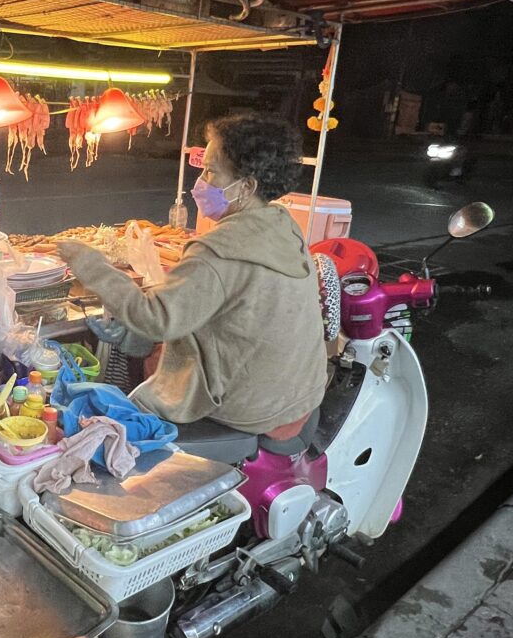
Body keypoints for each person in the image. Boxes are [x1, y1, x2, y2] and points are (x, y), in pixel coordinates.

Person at [57, 113, 328, 443]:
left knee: (106, 410)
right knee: (151, 350)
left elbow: (156, 319)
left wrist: (89, 262)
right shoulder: (283, 227)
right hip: (299, 396)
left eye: (211, 171)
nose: (201, 180)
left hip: (251, 409)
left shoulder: (219, 250)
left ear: (246, 187)